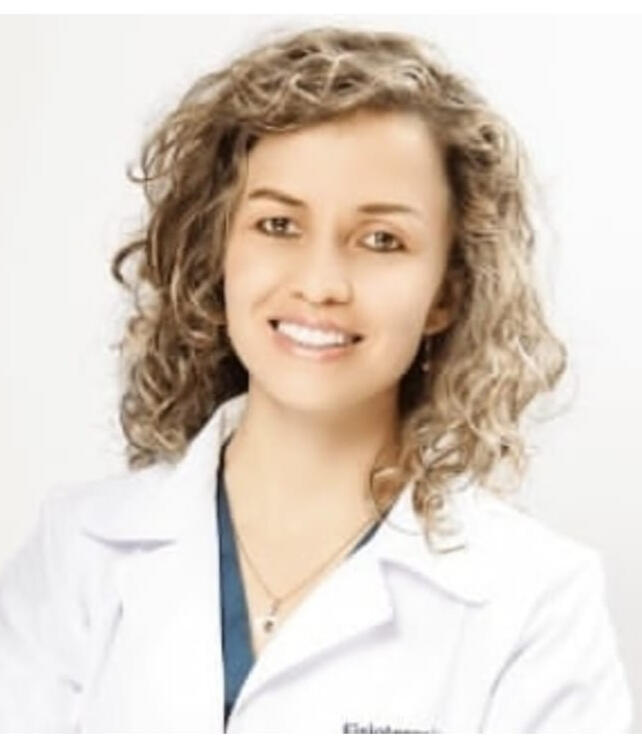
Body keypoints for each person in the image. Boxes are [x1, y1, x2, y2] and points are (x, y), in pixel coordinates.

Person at [0, 25, 633, 733]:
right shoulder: (80, 551)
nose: (321, 283)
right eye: (278, 224)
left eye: (382, 240)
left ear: (448, 291)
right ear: (218, 250)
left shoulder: (535, 602)